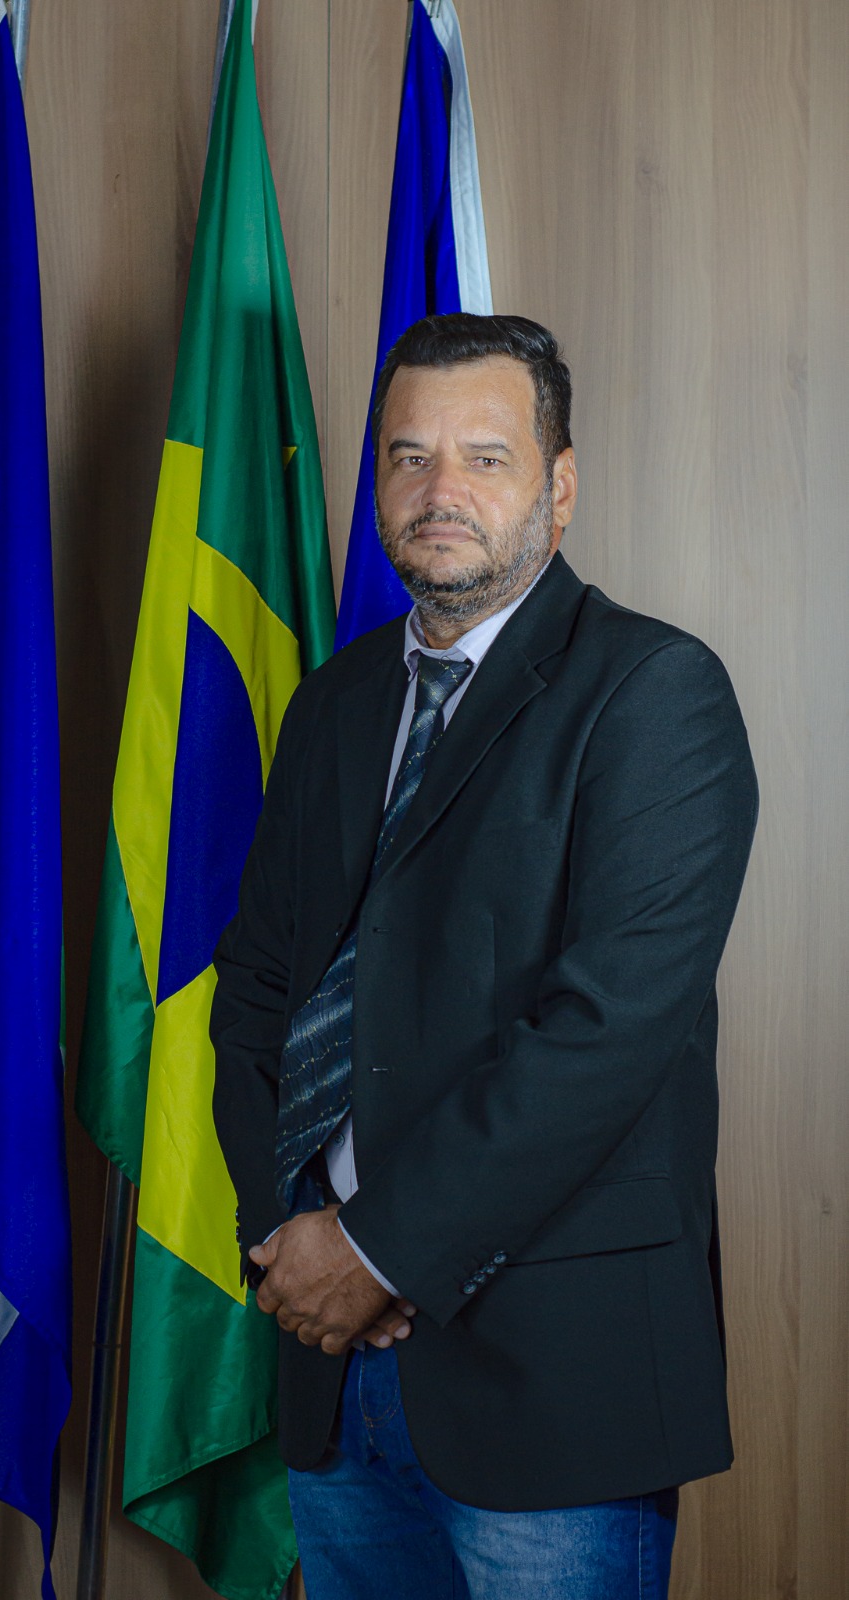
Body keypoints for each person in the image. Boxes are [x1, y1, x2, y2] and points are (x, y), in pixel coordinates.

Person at [211, 313, 758, 1600]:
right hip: (334, 1370)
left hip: (552, 1379)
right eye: (409, 456)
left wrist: (376, 1252)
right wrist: (295, 1244)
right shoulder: (333, 705)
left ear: (559, 488)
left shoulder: (654, 693)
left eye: (485, 457)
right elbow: (257, 994)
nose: (439, 489)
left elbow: (604, 1036)